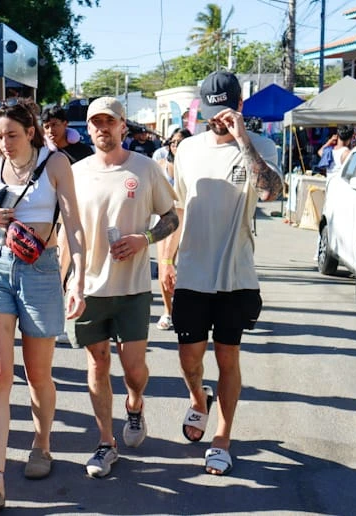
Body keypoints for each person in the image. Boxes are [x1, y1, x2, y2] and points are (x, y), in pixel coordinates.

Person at [0, 98, 86, 508]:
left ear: (30, 131)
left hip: (41, 270)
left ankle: (41, 444)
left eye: (11, 135)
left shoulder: (56, 163)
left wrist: (78, 279)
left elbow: (74, 226)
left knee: (37, 376)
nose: (4, 143)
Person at [159, 71, 282, 476]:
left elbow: (271, 191)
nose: (218, 120)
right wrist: (166, 260)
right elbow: (179, 208)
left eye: (226, 111)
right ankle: (199, 398)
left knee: (228, 356)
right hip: (192, 272)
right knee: (188, 359)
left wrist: (243, 138)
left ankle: (222, 437)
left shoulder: (261, 145)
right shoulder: (187, 149)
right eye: (212, 113)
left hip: (235, 275)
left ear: (239, 106)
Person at [60, 97, 178, 478]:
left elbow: (171, 217)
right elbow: (66, 231)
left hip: (132, 289)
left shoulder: (145, 168)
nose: (102, 128)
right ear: (88, 128)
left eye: (109, 121)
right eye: (95, 122)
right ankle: (105, 442)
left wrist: (145, 238)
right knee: (97, 363)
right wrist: (65, 282)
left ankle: (135, 403)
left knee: (133, 369)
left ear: (123, 125)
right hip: (89, 288)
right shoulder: (75, 173)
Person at [155, 128, 192, 331]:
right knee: (164, 264)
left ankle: (184, 309)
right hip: (165, 220)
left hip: (189, 220)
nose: (176, 146)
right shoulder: (160, 164)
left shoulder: (194, 166)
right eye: (173, 142)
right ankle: (167, 311)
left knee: (185, 267)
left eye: (181, 142)